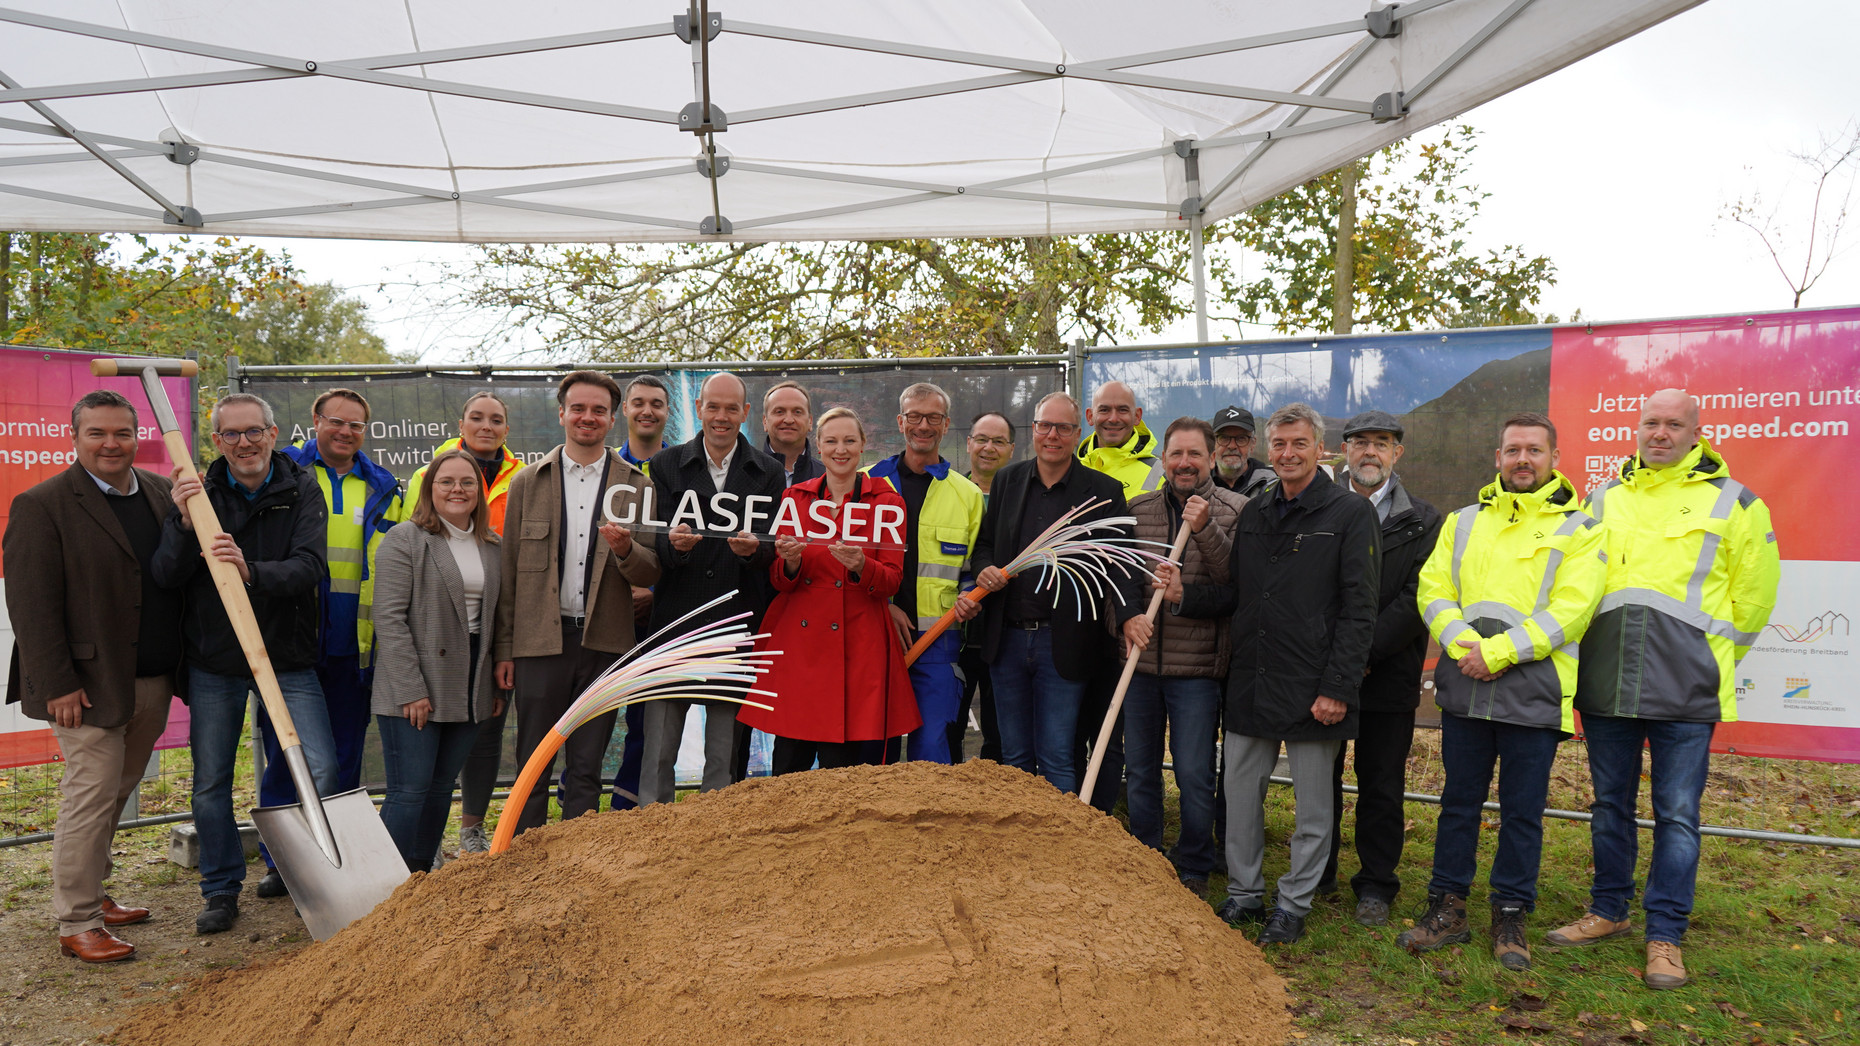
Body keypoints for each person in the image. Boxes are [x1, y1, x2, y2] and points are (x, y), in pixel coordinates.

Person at [1548, 389, 1780, 991]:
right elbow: (1577, 583)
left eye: (1674, 424)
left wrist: (1708, 657)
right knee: (1608, 806)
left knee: (1677, 815)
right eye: (1651, 422)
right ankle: (1609, 911)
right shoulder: (1604, 498)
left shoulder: (1736, 503)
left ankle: (1666, 935)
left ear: (1696, 432)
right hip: (1607, 682)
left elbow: (1753, 603)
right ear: (1638, 428)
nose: (1660, 433)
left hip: (1687, 687)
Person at [1402, 411, 1605, 972]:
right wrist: (1467, 645)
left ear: (1554, 459)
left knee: (1522, 813)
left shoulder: (1582, 529)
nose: (1523, 460)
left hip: (1534, 694)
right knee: (1457, 805)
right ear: (1497, 458)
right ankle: (1447, 907)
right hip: (1466, 688)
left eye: (1534, 451)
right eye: (1513, 449)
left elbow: (1573, 610)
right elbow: (1433, 589)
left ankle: (1511, 915)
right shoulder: (1463, 521)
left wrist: (1496, 653)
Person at [1172, 403, 1379, 946]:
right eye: (1280, 445)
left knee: (1313, 809)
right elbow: (1236, 593)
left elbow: (1361, 610)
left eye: (1299, 444)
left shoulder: (1349, 514)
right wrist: (1183, 596)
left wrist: (1338, 687)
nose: (1288, 454)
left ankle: (1292, 903)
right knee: (1240, 798)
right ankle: (1244, 894)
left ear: (1320, 448)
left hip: (1314, 687)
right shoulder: (1258, 511)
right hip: (1252, 678)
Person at [4, 391, 181, 962]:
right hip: (83, 686)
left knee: (115, 792)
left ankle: (96, 895)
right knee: (90, 795)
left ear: (137, 438)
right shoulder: (42, 505)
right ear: (74, 439)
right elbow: (31, 605)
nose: (111, 444)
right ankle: (77, 920)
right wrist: (57, 683)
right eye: (97, 434)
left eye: (122, 434)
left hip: (151, 678)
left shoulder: (158, 492)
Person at [151, 393, 335, 935]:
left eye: (254, 431)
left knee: (319, 766)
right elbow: (165, 574)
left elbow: (309, 567)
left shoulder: (300, 489)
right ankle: (220, 888)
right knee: (211, 781)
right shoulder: (196, 493)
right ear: (216, 441)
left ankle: (309, 875)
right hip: (216, 658)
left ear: (274, 433)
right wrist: (185, 526)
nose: (244, 443)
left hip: (286, 656)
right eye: (231, 435)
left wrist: (249, 569)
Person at [491, 371, 659, 836]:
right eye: (579, 408)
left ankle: (575, 865)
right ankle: (522, 862)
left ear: (613, 419)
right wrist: (505, 650)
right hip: (538, 643)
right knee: (533, 764)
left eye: (599, 410)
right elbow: (509, 573)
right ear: (562, 413)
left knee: (586, 765)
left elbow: (648, 573)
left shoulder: (637, 487)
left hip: (604, 645)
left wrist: (626, 549)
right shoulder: (528, 482)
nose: (588, 418)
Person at [971, 392, 1148, 795]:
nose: (1053, 435)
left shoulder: (1102, 490)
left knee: (1056, 755)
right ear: (1033, 430)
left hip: (1064, 641)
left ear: (1077, 432)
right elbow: (985, 544)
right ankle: (1020, 845)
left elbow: (1120, 562)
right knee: (1014, 757)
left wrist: (1129, 613)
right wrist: (984, 569)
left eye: (1063, 428)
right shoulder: (1007, 480)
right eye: (1044, 426)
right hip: (1008, 639)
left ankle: (1063, 850)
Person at [265, 388, 404, 897]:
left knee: (345, 751)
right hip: (294, 637)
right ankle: (280, 860)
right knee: (287, 750)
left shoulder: (385, 487)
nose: (345, 431)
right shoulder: (282, 473)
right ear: (315, 421)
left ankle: (334, 855)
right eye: (335, 421)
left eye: (356, 425)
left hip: (355, 639)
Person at [738, 408, 919, 770]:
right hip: (801, 647)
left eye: (850, 441)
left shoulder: (888, 502)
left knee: (841, 763)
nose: (841, 449)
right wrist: (789, 561)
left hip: (856, 645)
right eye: (831, 441)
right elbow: (778, 579)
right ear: (817, 447)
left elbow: (892, 581)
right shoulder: (795, 498)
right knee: (790, 757)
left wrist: (861, 566)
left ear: (862, 447)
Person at [638, 372, 785, 804]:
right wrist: (674, 546)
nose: (721, 417)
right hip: (675, 623)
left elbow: (772, 548)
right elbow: (655, 540)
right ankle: (652, 833)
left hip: (736, 626)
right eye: (713, 407)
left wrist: (751, 552)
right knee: (659, 749)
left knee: (722, 753)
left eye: (731, 408)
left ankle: (712, 843)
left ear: (745, 413)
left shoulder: (770, 472)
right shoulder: (664, 465)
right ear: (699, 408)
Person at [1321, 410, 1442, 926]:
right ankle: (1317, 871)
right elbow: (1312, 593)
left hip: (1388, 674)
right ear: (1344, 450)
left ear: (1398, 453)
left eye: (1382, 443)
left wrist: (1361, 654)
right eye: (1360, 442)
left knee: (1381, 783)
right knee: (1318, 778)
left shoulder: (1425, 519)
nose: (1370, 452)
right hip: (1324, 675)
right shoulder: (1319, 508)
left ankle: (1375, 884)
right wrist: (1338, 661)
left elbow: (1420, 598)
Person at [1125, 417, 1245, 897]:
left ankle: (1195, 864)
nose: (1184, 463)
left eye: (1195, 454)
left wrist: (1204, 528)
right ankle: (1144, 855)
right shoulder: (1138, 510)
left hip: (1197, 668)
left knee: (1195, 771)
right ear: (1163, 459)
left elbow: (1235, 583)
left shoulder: (1236, 510)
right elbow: (1122, 581)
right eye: (1176, 454)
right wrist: (1127, 619)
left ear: (1211, 459)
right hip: (1141, 661)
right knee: (1140, 768)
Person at [371, 449, 503, 871]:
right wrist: (411, 689)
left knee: (442, 787)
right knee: (409, 791)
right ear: (430, 488)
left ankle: (420, 875)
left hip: (469, 685)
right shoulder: (405, 538)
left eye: (467, 482)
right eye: (446, 481)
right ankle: (382, 886)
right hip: (414, 685)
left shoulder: (492, 545)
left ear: (479, 493)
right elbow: (388, 619)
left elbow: (496, 618)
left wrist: (492, 685)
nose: (457, 489)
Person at [405, 390, 523, 856]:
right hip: (437, 626)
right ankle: (426, 836)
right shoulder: (427, 474)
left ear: (506, 430)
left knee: (486, 732)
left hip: (494, 622)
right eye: (477, 417)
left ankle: (471, 831)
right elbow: (411, 541)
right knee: (431, 735)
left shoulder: (525, 478)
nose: (486, 426)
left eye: (496, 419)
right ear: (462, 423)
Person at [866, 382, 984, 765]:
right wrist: (884, 605)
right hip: (875, 634)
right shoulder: (867, 483)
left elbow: (970, 565)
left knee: (932, 753)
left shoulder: (966, 495)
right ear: (900, 422)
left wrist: (970, 597)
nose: (923, 425)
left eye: (933, 417)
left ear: (946, 425)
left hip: (940, 642)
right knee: (872, 750)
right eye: (915, 416)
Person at [1072, 381, 1164, 811]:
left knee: (1111, 733)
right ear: (1089, 418)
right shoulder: (1066, 462)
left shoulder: (1158, 469)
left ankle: (1104, 820)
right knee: (1068, 731)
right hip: (1072, 615)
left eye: (1122, 410)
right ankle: (1066, 815)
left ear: (1138, 416)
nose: (1113, 418)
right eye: (1104, 410)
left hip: (1127, 615)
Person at [609, 374, 672, 814]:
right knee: (588, 719)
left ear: (668, 412)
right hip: (608, 615)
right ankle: (576, 815)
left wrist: (653, 589)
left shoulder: (681, 468)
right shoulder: (606, 469)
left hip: (665, 613)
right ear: (625, 411)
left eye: (657, 403)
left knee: (648, 722)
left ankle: (634, 812)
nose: (647, 410)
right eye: (638, 402)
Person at [955, 411, 1014, 762]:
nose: (988, 448)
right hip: (956, 630)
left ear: (1011, 448)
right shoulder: (949, 492)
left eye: (998, 441)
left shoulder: (1021, 496)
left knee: (1000, 732)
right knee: (950, 727)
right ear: (968, 443)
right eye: (981, 439)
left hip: (1005, 634)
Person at [762, 379, 824, 487]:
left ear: (810, 421)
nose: (789, 420)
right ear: (765, 421)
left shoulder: (827, 477)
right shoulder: (742, 474)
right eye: (779, 412)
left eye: (797, 412)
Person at [1210, 406, 1273, 496]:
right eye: (1224, 438)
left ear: (1253, 444)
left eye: (1241, 438)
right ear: (1213, 442)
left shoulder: (1271, 485)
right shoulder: (1198, 484)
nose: (1232, 446)